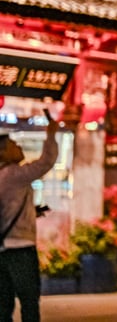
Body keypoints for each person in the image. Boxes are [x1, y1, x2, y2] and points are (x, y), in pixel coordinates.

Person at [0, 117, 59, 322]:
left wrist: (30, 212)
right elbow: (46, 162)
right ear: (3, 152)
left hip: (2, 249)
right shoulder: (13, 174)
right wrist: (51, 133)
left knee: (3, 304)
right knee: (29, 301)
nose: (19, 147)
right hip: (20, 249)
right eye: (14, 145)